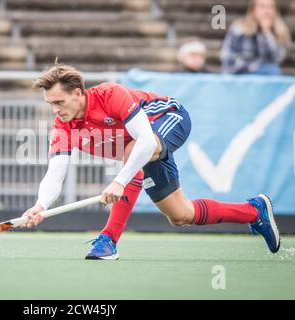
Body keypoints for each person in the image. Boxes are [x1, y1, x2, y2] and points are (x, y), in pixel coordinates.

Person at [20, 62, 280, 260]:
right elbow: (55, 173)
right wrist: (40, 205)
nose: (55, 109)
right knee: (180, 215)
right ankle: (254, 211)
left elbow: (144, 140)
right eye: (50, 103)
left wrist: (120, 181)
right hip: (141, 150)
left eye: (58, 102)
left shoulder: (111, 95)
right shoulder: (62, 127)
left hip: (170, 118)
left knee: (134, 149)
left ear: (78, 93)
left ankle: (108, 240)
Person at [221, 0, 291, 75]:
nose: (267, 11)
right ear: (252, 10)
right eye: (262, 7)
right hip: (240, 75)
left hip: (266, 76)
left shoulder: (280, 32)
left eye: (271, 7)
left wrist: (266, 33)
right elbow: (228, 58)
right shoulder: (239, 29)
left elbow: (276, 59)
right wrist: (254, 67)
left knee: (272, 70)